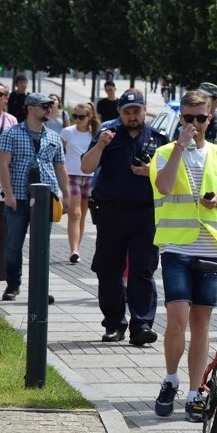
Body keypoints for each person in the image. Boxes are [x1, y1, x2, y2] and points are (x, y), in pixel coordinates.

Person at [149, 90, 217, 421]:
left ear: (210, 118)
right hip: (176, 246)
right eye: (189, 118)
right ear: (180, 119)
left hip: (211, 248)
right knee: (177, 318)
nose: (195, 124)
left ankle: (194, 391)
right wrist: (179, 149)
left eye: (201, 118)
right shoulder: (163, 152)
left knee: (202, 323)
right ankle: (170, 379)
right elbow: (165, 186)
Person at [81, 90, 168, 344]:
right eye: (127, 111)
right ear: (119, 112)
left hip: (145, 215)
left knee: (143, 271)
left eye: (136, 111)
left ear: (144, 110)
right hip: (111, 213)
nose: (132, 116)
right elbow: (86, 167)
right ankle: (114, 324)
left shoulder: (159, 139)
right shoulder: (108, 134)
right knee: (108, 271)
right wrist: (100, 145)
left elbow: (172, 179)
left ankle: (141, 325)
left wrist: (150, 172)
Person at [0, 93, 70, 304]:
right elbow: (3, 165)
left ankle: (40, 288)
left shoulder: (53, 137)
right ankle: (13, 284)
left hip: (45, 198)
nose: (49, 109)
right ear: (30, 108)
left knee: (42, 246)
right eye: (44, 106)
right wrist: (8, 193)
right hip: (18, 197)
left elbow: (60, 167)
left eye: (50, 106)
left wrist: (66, 195)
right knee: (13, 245)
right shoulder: (12, 134)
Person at [60, 102, 98, 263]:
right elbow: (58, 153)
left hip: (89, 177)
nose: (77, 119)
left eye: (81, 116)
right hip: (72, 176)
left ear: (89, 117)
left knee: (82, 215)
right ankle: (73, 249)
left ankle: (77, 247)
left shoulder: (94, 134)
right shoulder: (67, 132)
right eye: (75, 116)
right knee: (74, 214)